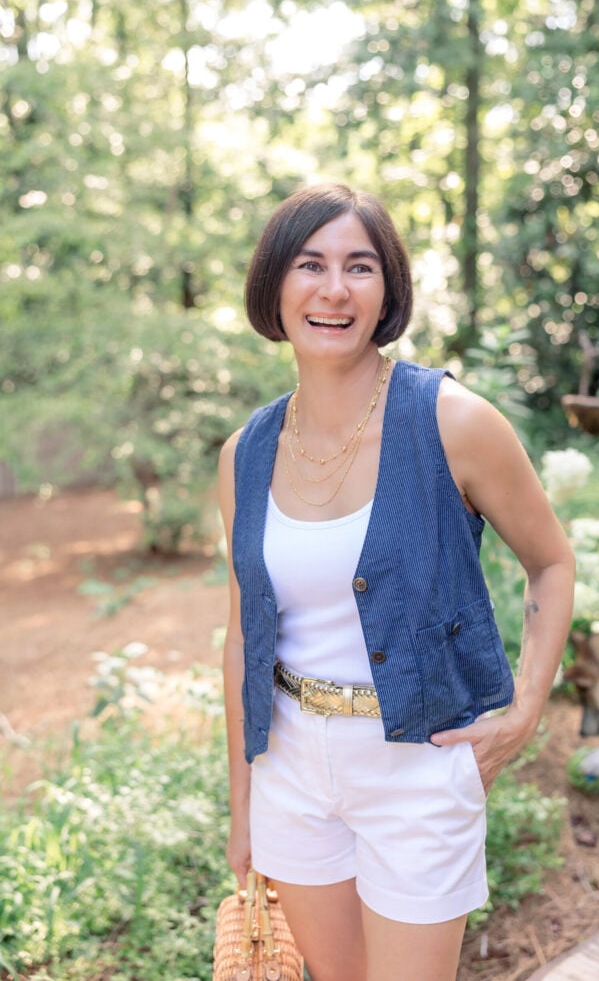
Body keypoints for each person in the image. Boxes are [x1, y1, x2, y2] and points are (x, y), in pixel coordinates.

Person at [218, 183, 575, 981]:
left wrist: (524, 707)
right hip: (291, 769)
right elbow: (244, 632)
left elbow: (550, 558)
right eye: (310, 264)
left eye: (360, 266)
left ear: (388, 291)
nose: (334, 289)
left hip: (417, 761)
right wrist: (243, 807)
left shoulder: (454, 420)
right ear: (275, 285)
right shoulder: (244, 451)